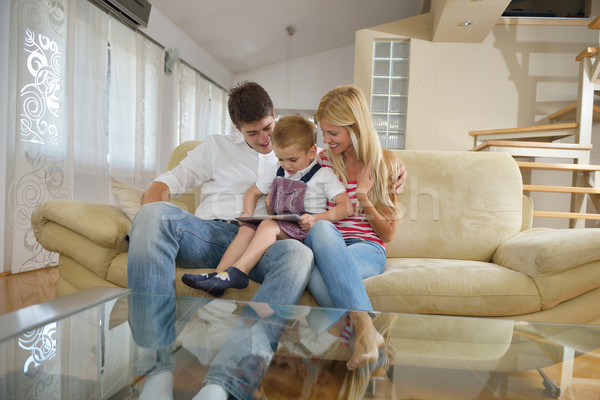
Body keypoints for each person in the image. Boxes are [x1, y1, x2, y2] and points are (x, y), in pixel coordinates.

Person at [126, 81, 314, 400]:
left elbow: (351, 159)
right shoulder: (214, 147)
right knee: (151, 214)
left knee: (298, 255)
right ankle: (156, 372)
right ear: (237, 128)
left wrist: (393, 163)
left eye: (268, 128)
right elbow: (165, 183)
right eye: (252, 133)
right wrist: (150, 213)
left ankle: (221, 386)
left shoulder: (298, 146)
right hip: (208, 234)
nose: (264, 139)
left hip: (261, 244)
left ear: (275, 115)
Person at [181, 115, 353, 296]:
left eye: (293, 160)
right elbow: (252, 192)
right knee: (247, 228)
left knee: (268, 225)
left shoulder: (323, 175)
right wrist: (247, 213)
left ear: (311, 153)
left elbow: (346, 206)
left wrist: (316, 219)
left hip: (306, 235)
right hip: (283, 230)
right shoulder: (278, 170)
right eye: (281, 159)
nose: (287, 166)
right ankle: (218, 277)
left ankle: (239, 272)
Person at [305, 84, 403, 317]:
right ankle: (366, 331)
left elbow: (387, 234)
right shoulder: (322, 162)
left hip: (368, 248)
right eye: (324, 132)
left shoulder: (382, 164)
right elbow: (286, 166)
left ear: (356, 128)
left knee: (317, 278)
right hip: (328, 244)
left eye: (333, 133)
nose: (326, 140)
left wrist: (363, 196)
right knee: (322, 228)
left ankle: (357, 333)